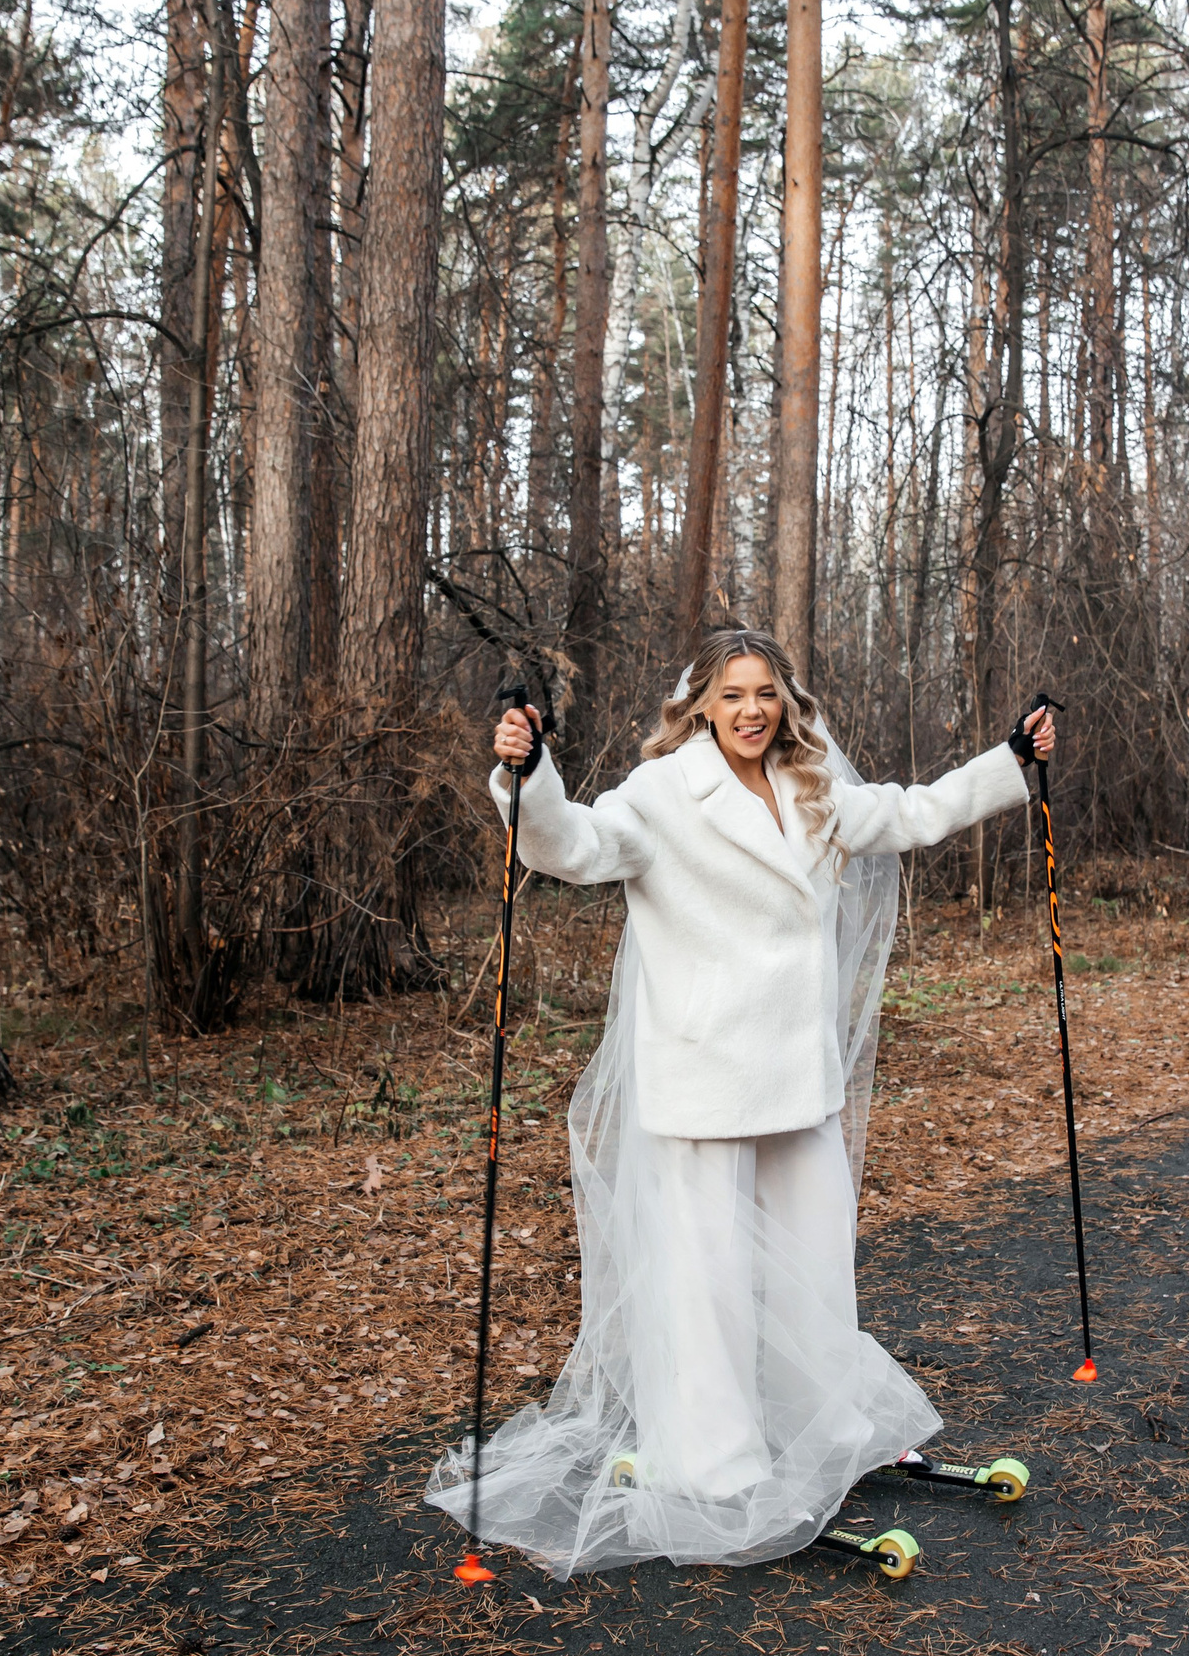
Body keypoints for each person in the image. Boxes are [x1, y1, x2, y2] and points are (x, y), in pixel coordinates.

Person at [427, 628, 1054, 1578]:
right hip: (702, 1082)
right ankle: (714, 1463)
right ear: (702, 708)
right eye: (732, 695)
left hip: (797, 1080)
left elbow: (913, 812)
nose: (751, 710)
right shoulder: (663, 793)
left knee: (816, 1266)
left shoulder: (811, 787)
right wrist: (527, 772)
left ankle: (821, 1429)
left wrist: (1010, 760)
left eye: (765, 693)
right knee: (707, 1281)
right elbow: (571, 845)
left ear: (784, 702)